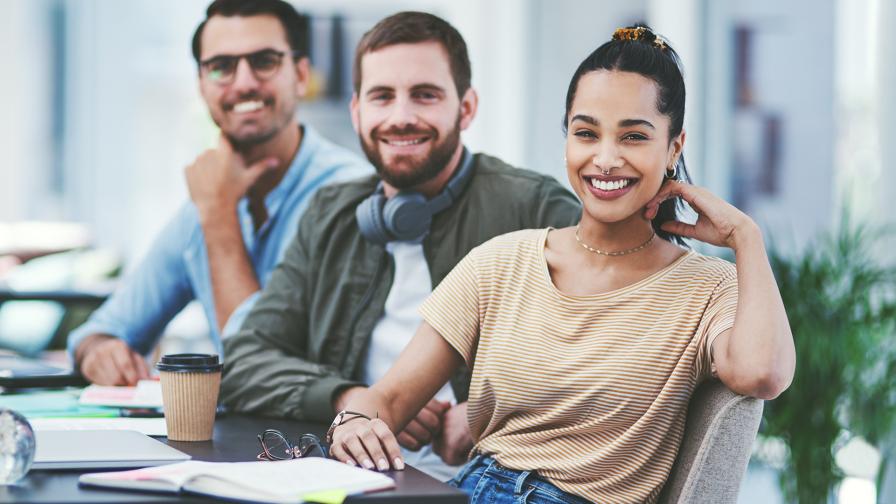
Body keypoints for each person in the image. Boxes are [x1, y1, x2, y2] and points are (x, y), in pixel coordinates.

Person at [327, 25, 796, 503]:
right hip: (467, 491)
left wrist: (746, 237)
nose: (606, 158)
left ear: (674, 146)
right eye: (586, 133)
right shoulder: (500, 262)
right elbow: (387, 398)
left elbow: (763, 375)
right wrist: (356, 421)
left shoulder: (708, 287)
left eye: (634, 136)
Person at [220, 12, 581, 480]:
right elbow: (246, 358)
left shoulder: (534, 207)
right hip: (352, 476)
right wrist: (353, 400)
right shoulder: (329, 213)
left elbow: (619, 342)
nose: (401, 117)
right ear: (356, 112)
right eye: (382, 96)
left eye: (425, 95)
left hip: (489, 481)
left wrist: (487, 413)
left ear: (466, 108)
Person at [66, 0, 370, 386]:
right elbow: (104, 328)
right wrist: (100, 350)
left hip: (315, 441)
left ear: (301, 75)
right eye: (221, 67)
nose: (243, 82)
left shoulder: (349, 194)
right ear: (201, 84)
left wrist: (219, 213)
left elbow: (270, 372)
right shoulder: (208, 197)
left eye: (264, 61)